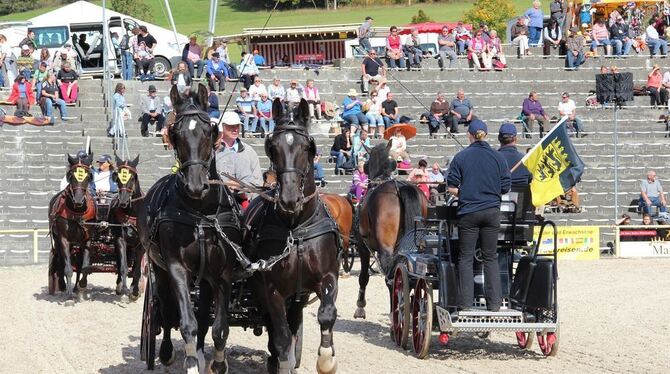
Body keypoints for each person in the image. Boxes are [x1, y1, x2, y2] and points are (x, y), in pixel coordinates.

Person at [446, 119, 511, 313]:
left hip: (469, 212)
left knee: (465, 257)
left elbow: (451, 188)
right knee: (490, 257)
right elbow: (505, 187)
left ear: (470, 136)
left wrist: (466, 193)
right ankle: (494, 304)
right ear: (486, 135)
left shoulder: (461, 157)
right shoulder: (498, 158)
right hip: (492, 212)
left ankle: (466, 303)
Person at [215, 111, 263, 205]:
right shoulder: (213, 150)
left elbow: (258, 183)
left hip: (244, 203)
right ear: (222, 127)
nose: (235, 129)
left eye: (237, 125)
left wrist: (242, 189)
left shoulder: (249, 151)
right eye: (231, 125)